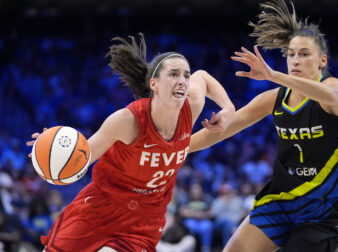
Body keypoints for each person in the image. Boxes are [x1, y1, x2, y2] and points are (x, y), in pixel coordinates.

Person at [26, 33, 235, 252]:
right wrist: (56, 151)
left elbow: (202, 76)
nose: (183, 80)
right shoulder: (127, 121)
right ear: (154, 83)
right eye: (174, 74)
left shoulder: (192, 106)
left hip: (144, 219)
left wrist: (229, 107)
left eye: (185, 75)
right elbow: (83, 157)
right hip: (101, 207)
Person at [190, 0, 338, 251]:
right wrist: (174, 149)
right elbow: (224, 130)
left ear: (322, 60)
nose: (295, 60)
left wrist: (272, 75)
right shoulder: (273, 99)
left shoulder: (334, 89)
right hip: (280, 201)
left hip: (324, 208)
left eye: (304, 54)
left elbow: (330, 96)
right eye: (290, 54)